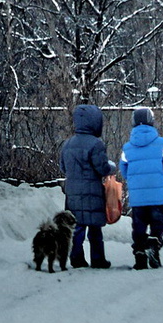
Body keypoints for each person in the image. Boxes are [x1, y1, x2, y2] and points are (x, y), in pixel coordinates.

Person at [120, 107, 163, 270]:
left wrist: (135, 179)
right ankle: (154, 242)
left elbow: (123, 170)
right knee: (158, 224)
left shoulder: (128, 147)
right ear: (151, 122)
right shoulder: (162, 143)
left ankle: (139, 254)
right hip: (158, 195)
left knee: (138, 226)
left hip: (138, 197)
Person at [59, 104, 114, 269]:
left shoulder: (67, 144)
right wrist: (111, 168)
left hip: (72, 192)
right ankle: (98, 259)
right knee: (95, 228)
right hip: (92, 191)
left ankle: (76, 258)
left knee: (76, 227)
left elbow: (63, 167)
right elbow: (102, 168)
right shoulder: (96, 144)